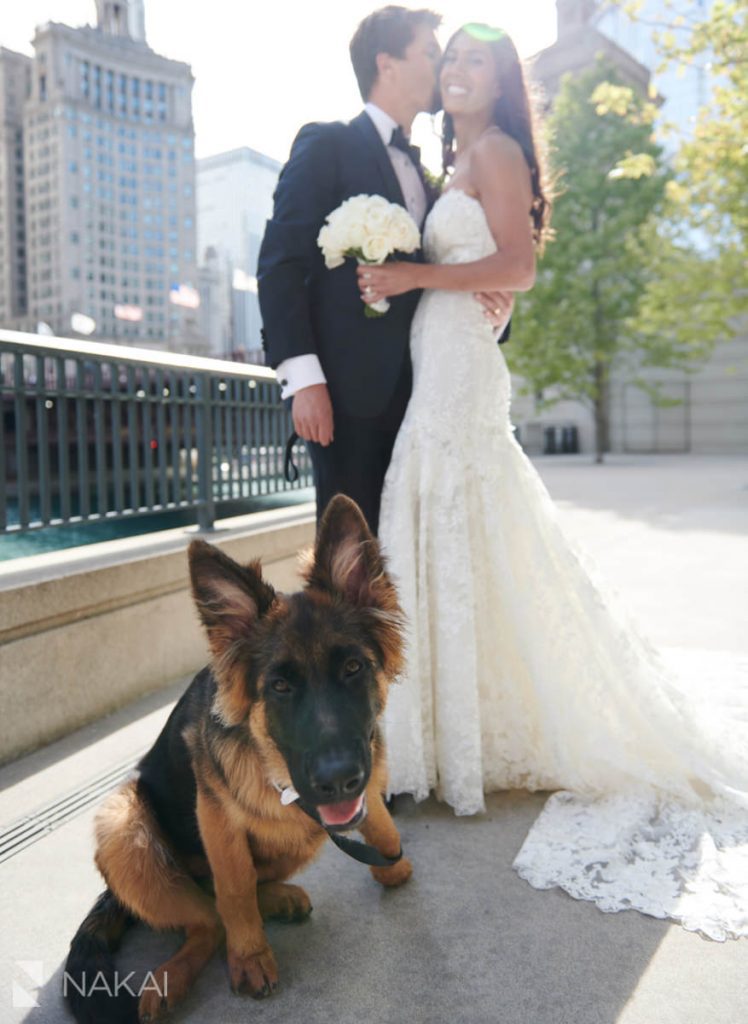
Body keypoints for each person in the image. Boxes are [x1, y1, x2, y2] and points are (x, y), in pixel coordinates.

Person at [360, 23, 748, 940]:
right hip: (446, 357)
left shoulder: (493, 149)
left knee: (461, 517)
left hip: (455, 371)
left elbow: (521, 266)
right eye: (449, 58)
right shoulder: (461, 158)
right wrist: (446, 286)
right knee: (459, 532)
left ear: (501, 84)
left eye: (476, 61)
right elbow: (491, 270)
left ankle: (444, 742)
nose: (457, 71)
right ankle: (445, 735)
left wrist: (414, 272)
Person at [257, 6, 510, 534]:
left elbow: (457, 269)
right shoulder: (327, 144)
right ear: (387, 62)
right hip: (350, 401)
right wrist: (304, 381)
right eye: (431, 53)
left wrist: (498, 312)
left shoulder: (435, 175)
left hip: (432, 399)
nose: (443, 68)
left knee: (423, 553)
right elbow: (281, 262)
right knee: (354, 562)